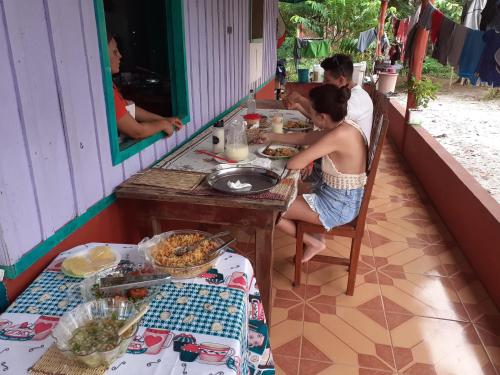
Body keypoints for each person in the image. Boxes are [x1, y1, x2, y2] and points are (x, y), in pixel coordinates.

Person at [261, 85, 367, 262]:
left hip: (337, 207)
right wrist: (272, 136)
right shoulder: (345, 126)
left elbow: (294, 163)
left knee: (270, 209)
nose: (310, 115)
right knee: (291, 190)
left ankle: (313, 242)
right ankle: (316, 235)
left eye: (312, 111)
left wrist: (303, 157)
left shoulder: (338, 136)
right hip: (343, 198)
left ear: (322, 116)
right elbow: (305, 138)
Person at [108, 35, 183, 140]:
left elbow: (129, 108)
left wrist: (164, 119)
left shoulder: (109, 84)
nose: (120, 55)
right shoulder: (106, 92)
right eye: (114, 51)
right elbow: (137, 131)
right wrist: (163, 124)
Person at [287, 54, 373, 144]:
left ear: (341, 80)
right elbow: (322, 119)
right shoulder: (344, 95)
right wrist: (299, 107)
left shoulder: (356, 99)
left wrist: (300, 99)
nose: (323, 84)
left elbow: (325, 120)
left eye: (327, 80)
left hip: (347, 153)